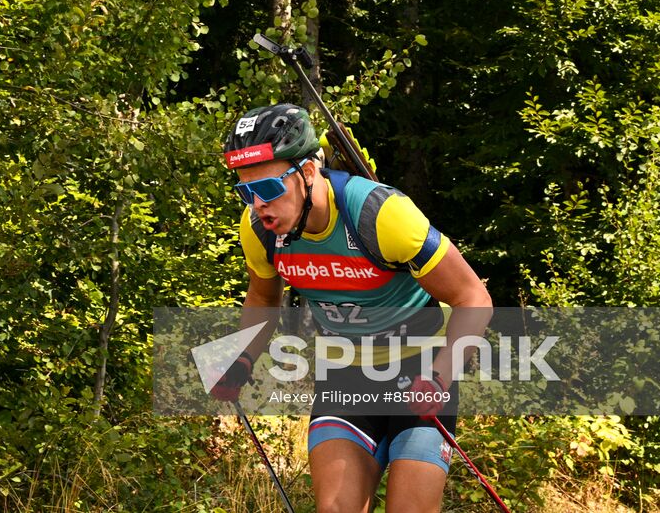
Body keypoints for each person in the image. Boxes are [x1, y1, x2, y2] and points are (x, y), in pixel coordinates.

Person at [210, 103, 492, 513]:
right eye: (245, 191)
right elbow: (263, 298)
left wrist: (440, 376)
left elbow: (473, 297)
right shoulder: (258, 229)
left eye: (268, 189)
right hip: (345, 377)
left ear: (308, 172)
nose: (258, 205)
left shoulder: (381, 215)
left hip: (420, 370)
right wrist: (241, 359)